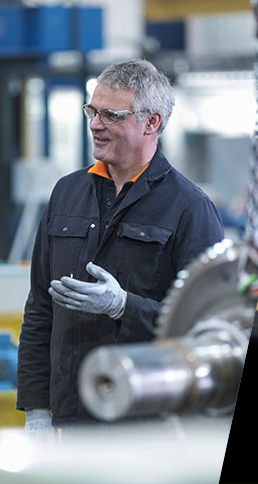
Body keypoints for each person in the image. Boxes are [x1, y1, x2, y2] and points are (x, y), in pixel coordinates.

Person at [16, 60, 226, 437]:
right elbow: (40, 310)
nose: (96, 124)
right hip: (73, 419)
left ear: (152, 123)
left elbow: (206, 331)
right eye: (92, 111)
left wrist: (124, 307)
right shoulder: (66, 194)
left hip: (146, 425)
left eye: (112, 115)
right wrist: (37, 408)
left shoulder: (189, 209)